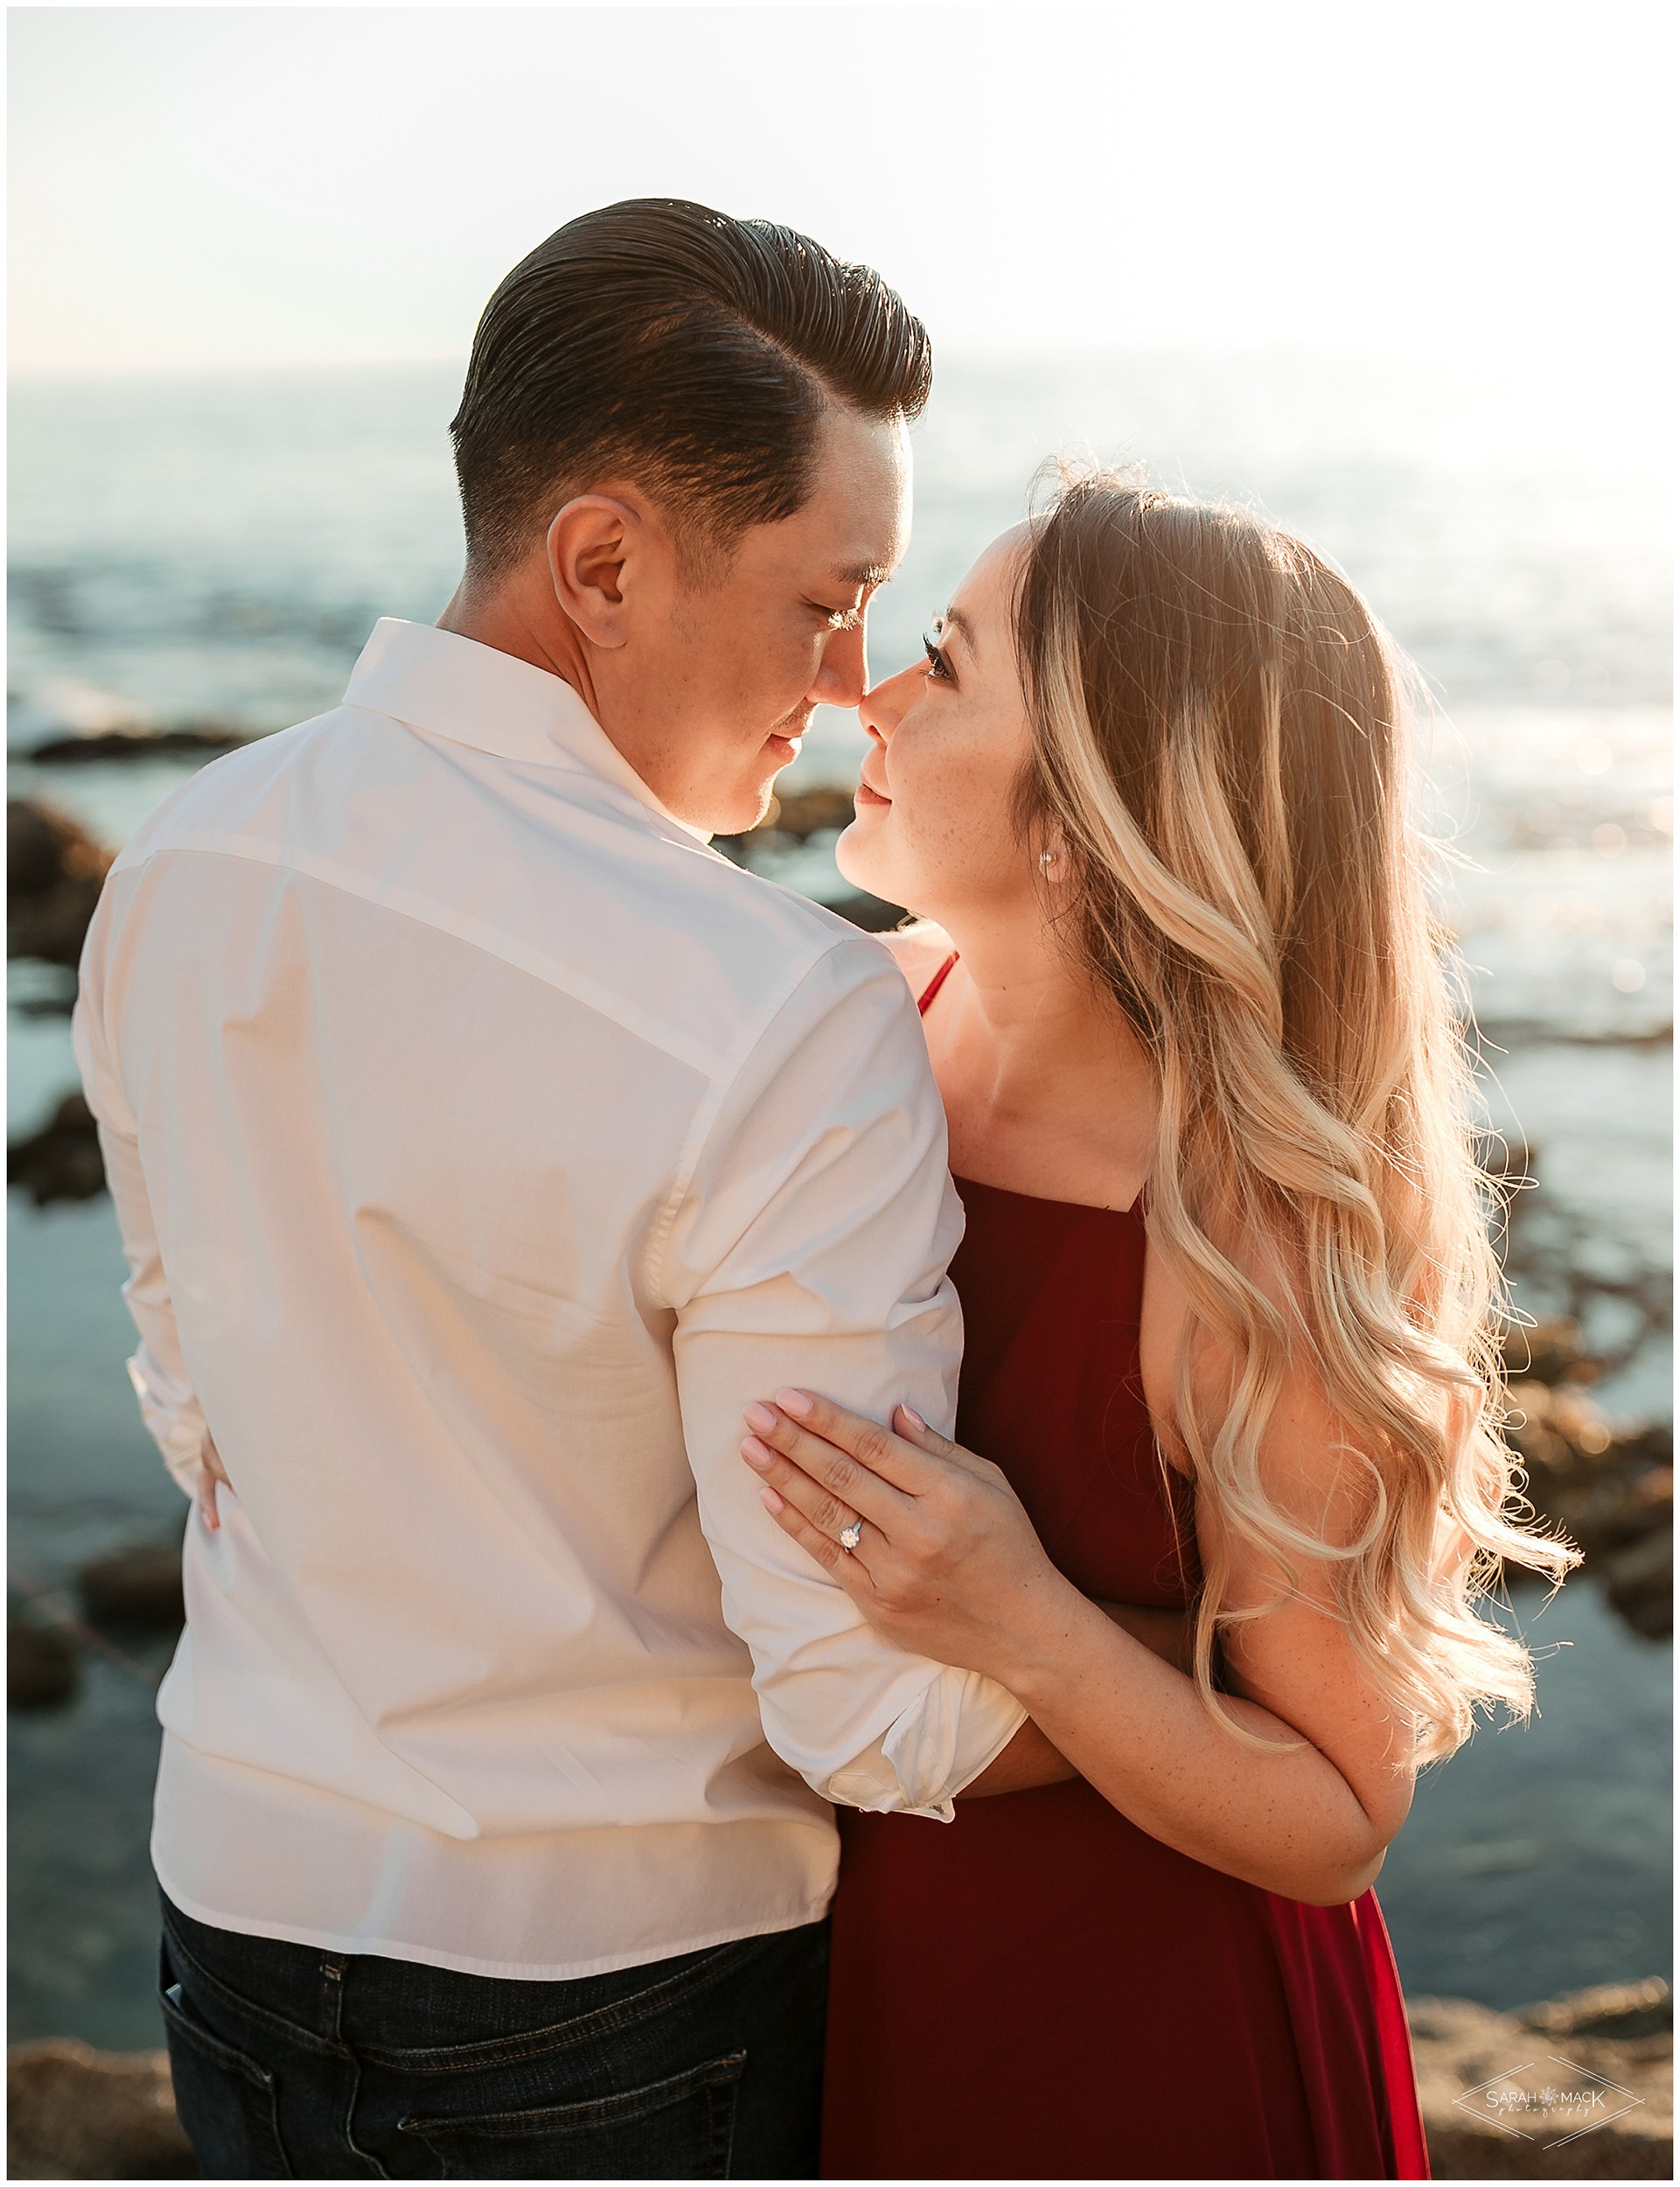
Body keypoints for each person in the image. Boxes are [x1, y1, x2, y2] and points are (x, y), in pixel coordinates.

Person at [73, 198, 1069, 2180]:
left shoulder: (178, 863)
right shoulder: (782, 1007)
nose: (857, 680)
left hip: (234, 1912)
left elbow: (198, 1419)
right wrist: (1207, 1702)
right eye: (824, 596)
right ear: (602, 558)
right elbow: (863, 1705)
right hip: (616, 1993)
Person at [738, 477, 1579, 2180]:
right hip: (851, 1967)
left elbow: (1340, 1813)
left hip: (1147, 2045)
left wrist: (1024, 1619)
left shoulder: (1244, 1232)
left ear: (1081, 818)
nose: (866, 697)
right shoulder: (861, 1027)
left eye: (944, 668)